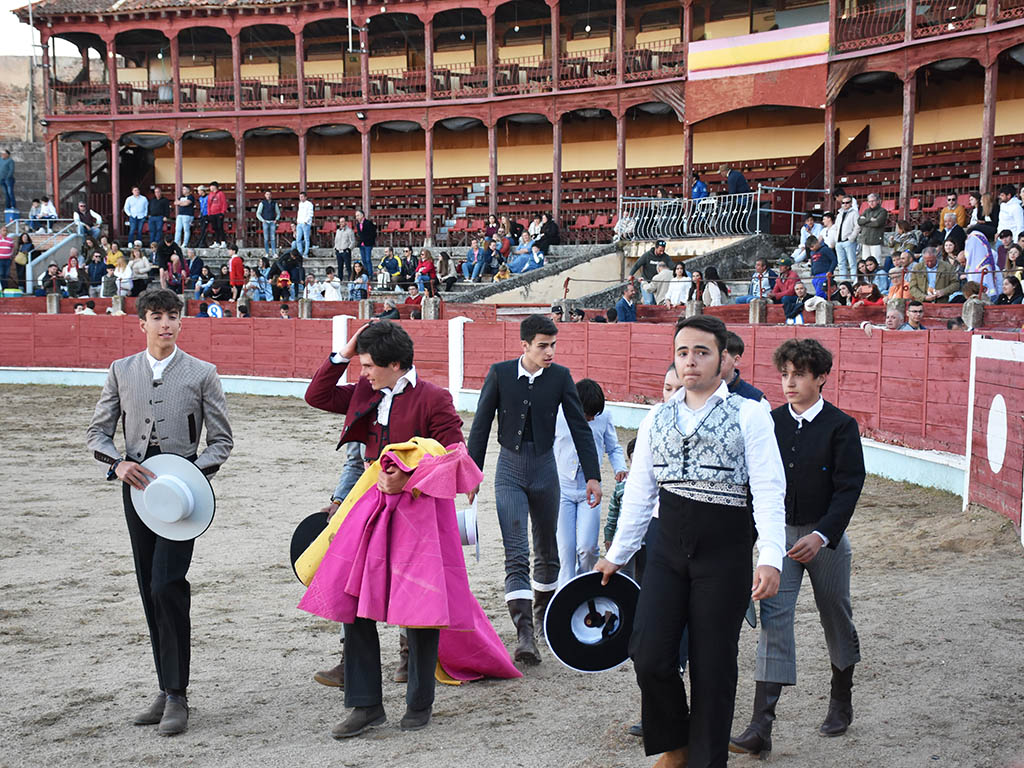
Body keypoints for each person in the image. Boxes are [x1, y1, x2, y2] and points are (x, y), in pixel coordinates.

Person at [595, 314, 785, 768]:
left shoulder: (750, 413)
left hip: (725, 547)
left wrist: (771, 556)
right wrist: (616, 555)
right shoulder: (656, 417)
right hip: (667, 544)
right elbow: (640, 494)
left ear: (723, 360)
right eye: (683, 352)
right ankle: (677, 745)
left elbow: (768, 488)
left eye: (702, 352)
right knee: (649, 652)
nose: (691, 361)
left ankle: (705, 761)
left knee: (713, 665)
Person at [303, 321, 467, 737]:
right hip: (371, 503)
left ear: (396, 364)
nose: (364, 373)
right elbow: (316, 395)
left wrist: (408, 478)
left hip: (417, 510)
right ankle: (365, 704)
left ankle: (419, 700)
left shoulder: (434, 399)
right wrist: (345, 351)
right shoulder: (367, 392)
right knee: (352, 597)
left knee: (420, 606)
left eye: (370, 365)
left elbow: (455, 457)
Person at [86, 288, 233, 737]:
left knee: (167, 584)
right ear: (142, 323)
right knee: (149, 587)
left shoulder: (202, 373)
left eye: (173, 316)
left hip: (183, 498)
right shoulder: (121, 370)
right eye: (157, 316)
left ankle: (177, 694)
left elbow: (222, 441)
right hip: (137, 494)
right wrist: (118, 462)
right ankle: (167, 687)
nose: (165, 324)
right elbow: (98, 431)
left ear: (181, 322)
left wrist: (190, 473)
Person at [730, 338, 864, 758]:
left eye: (799, 374)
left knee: (835, 615)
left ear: (821, 377)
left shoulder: (841, 426)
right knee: (773, 618)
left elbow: (848, 488)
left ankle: (841, 699)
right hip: (778, 537)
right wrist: (749, 543)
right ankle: (760, 727)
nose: (789, 383)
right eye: (784, 374)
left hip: (824, 539)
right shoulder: (770, 423)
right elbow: (753, 488)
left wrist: (822, 535)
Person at [467, 314, 601, 664]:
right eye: (543, 345)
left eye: (553, 345)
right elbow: (480, 427)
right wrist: (471, 473)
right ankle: (525, 634)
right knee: (516, 554)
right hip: (508, 472)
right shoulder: (499, 373)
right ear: (524, 345)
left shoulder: (560, 377)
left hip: (546, 473)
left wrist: (592, 475)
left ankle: (541, 618)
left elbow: (580, 428)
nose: (550, 351)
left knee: (548, 554)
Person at [554, 378, 627, 588]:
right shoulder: (557, 414)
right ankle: (565, 593)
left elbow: (613, 448)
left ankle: (585, 586)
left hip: (591, 492)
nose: (592, 419)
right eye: (588, 415)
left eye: (595, 415)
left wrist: (620, 467)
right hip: (562, 489)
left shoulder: (603, 416)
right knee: (566, 550)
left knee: (587, 547)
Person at [833, 194, 860, 281]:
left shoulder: (854, 213)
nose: (845, 204)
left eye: (847, 202)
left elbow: (857, 226)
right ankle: (843, 282)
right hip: (839, 241)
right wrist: (835, 238)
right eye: (843, 203)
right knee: (841, 263)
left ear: (851, 203)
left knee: (852, 262)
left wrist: (851, 238)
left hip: (848, 241)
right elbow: (836, 226)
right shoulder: (839, 214)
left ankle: (854, 281)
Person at [857, 193, 887, 263]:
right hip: (865, 239)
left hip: (875, 240)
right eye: (869, 201)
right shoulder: (866, 211)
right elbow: (859, 221)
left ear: (878, 201)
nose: (871, 203)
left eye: (873, 201)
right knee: (865, 261)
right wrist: (870, 219)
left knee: (876, 261)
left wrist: (865, 222)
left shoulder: (882, 211)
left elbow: (877, 223)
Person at [256, 190, 280, 256]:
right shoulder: (262, 203)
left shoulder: (274, 203)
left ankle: (274, 253)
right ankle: (267, 253)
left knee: (273, 238)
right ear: (265, 195)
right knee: (266, 238)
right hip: (265, 222)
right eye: (267, 194)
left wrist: (276, 219)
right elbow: (258, 213)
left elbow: (278, 213)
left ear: (271, 195)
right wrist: (262, 220)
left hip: (272, 221)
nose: (268, 196)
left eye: (269, 194)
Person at [354, 208, 376, 277]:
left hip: (368, 244)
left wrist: (371, 241)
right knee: (363, 260)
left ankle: (370, 274)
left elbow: (373, 233)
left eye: (358, 215)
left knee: (368, 260)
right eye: (356, 216)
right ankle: (366, 274)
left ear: (362, 215)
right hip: (362, 244)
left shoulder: (368, 223)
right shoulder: (358, 225)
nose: (357, 217)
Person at [206, 182, 228, 248]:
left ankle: (223, 242)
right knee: (215, 228)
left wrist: (222, 212)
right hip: (212, 213)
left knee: (220, 227)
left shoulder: (221, 194)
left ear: (215, 187)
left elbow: (224, 203)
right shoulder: (210, 194)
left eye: (211, 186)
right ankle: (216, 242)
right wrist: (209, 213)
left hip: (219, 213)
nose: (210, 188)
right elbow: (208, 204)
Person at [334, 215, 356, 280]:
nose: (341, 223)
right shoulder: (338, 231)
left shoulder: (349, 231)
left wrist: (349, 249)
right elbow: (336, 240)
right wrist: (335, 248)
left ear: (346, 222)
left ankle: (350, 280)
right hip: (339, 251)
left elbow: (353, 241)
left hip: (345, 251)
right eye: (340, 222)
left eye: (343, 221)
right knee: (339, 267)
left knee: (348, 267)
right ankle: (340, 280)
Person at [295, 191, 314, 257]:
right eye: (300, 197)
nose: (301, 198)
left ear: (305, 197)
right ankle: (300, 252)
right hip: (299, 223)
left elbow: (310, 214)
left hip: (306, 223)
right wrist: (298, 221)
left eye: (302, 197)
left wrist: (306, 221)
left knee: (306, 239)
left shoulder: (309, 204)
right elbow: (299, 213)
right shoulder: (300, 204)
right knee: (298, 239)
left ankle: (306, 253)